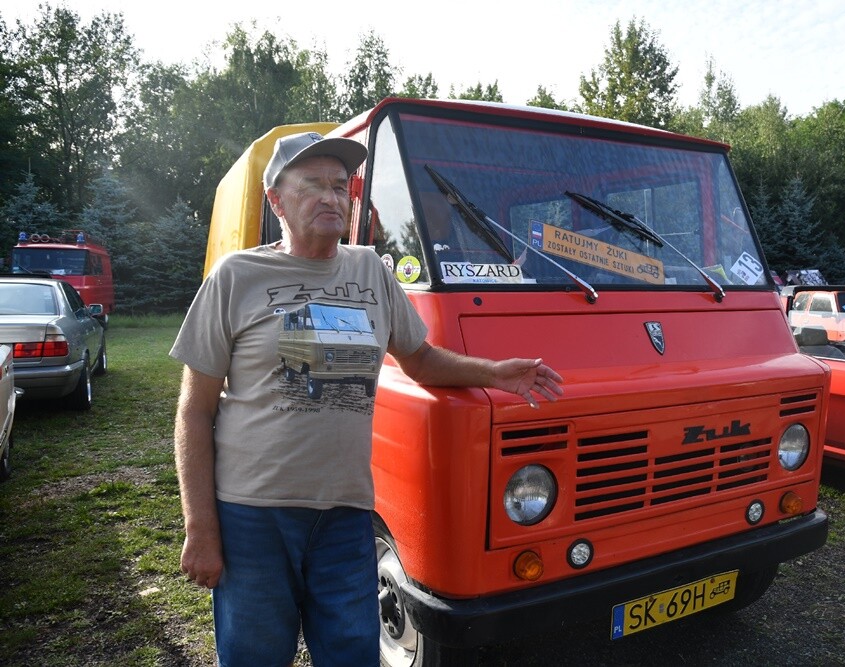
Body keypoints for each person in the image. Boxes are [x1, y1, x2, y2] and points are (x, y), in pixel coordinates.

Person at [170, 131, 563, 667]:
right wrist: (201, 528)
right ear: (276, 200)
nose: (332, 197)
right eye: (312, 185)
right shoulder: (237, 278)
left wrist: (494, 372)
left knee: (354, 655)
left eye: (340, 186)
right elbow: (194, 412)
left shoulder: (371, 272)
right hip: (254, 518)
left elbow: (421, 359)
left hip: (345, 516)